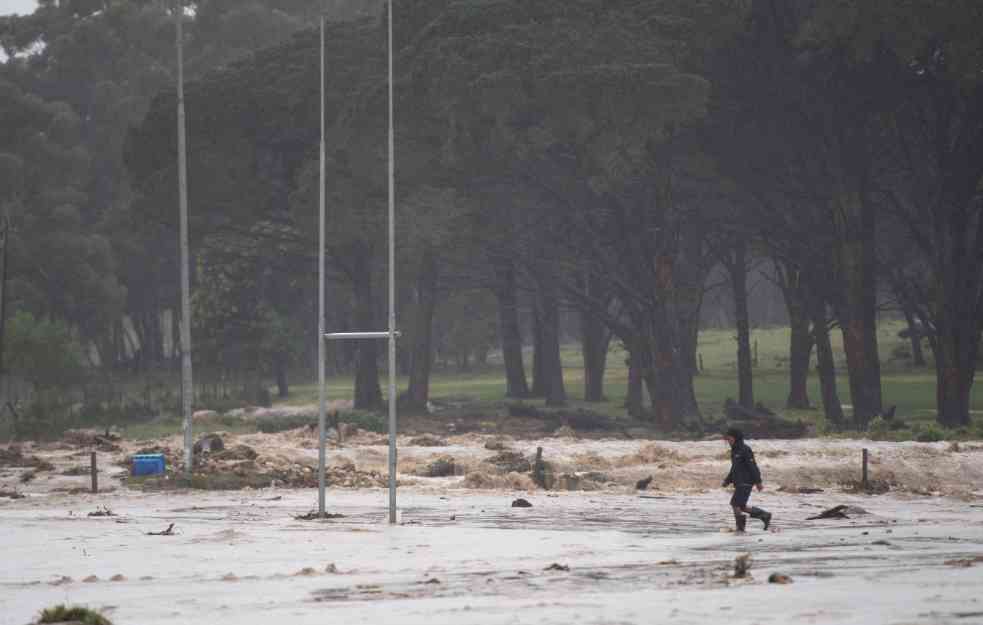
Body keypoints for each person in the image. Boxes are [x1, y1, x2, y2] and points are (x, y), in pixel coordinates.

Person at [722, 427, 772, 532]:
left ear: (735, 438)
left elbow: (752, 466)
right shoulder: (734, 451)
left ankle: (740, 529)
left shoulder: (745, 449)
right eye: (727, 439)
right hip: (739, 482)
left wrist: (758, 482)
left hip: (746, 481)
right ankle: (764, 515)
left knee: (735, 504)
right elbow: (734, 468)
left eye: (729, 439)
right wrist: (727, 480)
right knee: (741, 506)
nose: (728, 441)